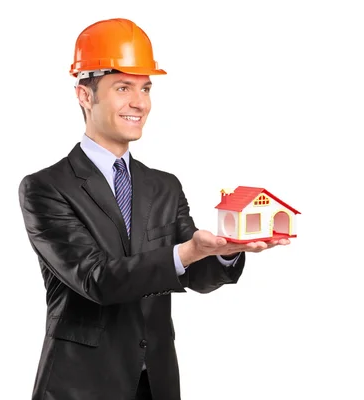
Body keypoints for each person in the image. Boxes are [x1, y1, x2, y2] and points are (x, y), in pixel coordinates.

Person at [18, 18, 290, 400]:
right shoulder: (47, 188)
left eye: (145, 88)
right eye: (123, 88)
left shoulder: (164, 185)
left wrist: (226, 252)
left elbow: (193, 273)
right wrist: (189, 251)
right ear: (84, 95)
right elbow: (97, 278)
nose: (139, 102)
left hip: (157, 382)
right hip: (79, 385)